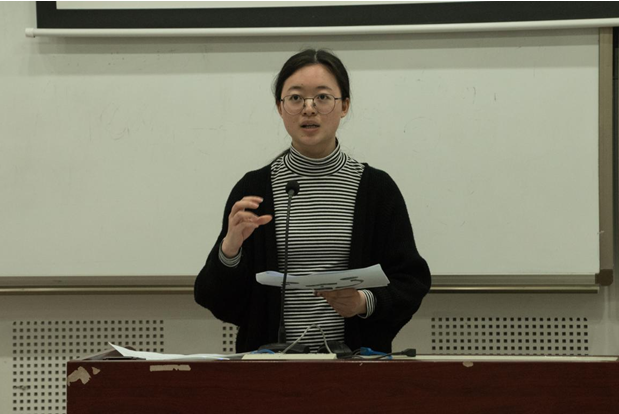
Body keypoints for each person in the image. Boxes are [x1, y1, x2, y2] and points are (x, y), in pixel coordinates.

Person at [194, 49, 431, 353]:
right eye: (295, 98)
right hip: (271, 366)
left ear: (344, 105)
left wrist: (363, 302)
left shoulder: (376, 190)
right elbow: (214, 298)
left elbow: (410, 282)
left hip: (353, 365)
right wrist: (230, 250)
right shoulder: (254, 189)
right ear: (280, 108)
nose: (309, 109)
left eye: (322, 97)